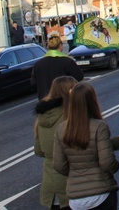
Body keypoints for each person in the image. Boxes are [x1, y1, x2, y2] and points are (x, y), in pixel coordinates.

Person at [53, 82, 119, 210]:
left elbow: (58, 164)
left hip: (76, 198)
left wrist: (76, 173)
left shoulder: (61, 129)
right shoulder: (99, 126)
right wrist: (116, 166)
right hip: (101, 192)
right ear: (92, 101)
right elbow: (107, 162)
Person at [34, 76, 78, 210]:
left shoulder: (42, 118)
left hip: (50, 186)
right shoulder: (70, 116)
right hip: (70, 184)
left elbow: (38, 150)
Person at [32, 32, 84, 100]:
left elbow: (34, 84)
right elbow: (79, 77)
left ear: (48, 46)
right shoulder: (67, 61)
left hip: (45, 101)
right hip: (64, 100)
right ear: (60, 46)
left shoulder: (38, 64)